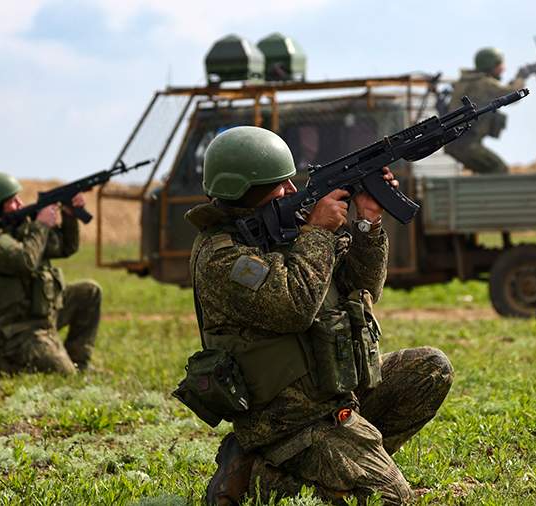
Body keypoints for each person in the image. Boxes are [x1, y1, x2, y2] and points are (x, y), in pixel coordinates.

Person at [181, 126, 454, 504]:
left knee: (430, 369)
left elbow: (363, 287)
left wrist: (367, 224)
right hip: (286, 421)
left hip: (337, 390)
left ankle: (346, 461)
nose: (291, 190)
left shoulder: (289, 229)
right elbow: (294, 307)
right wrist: (319, 232)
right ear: (244, 190)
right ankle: (260, 474)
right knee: (389, 498)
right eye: (279, 185)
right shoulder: (221, 256)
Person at [0, 173, 102, 375]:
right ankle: (4, 361)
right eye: (12, 201)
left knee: (89, 292)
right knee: (63, 374)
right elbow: (25, 261)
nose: (20, 204)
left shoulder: (17, 228)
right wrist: (41, 225)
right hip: (17, 331)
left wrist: (69, 216)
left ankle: (80, 363)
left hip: (42, 315)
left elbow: (66, 247)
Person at [444, 47, 526, 174]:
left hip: (457, 142)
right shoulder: (483, 83)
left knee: (487, 172)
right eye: (499, 65)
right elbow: (511, 94)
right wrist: (521, 77)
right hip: (466, 144)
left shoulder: (466, 81)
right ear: (490, 65)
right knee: (499, 169)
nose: (503, 69)